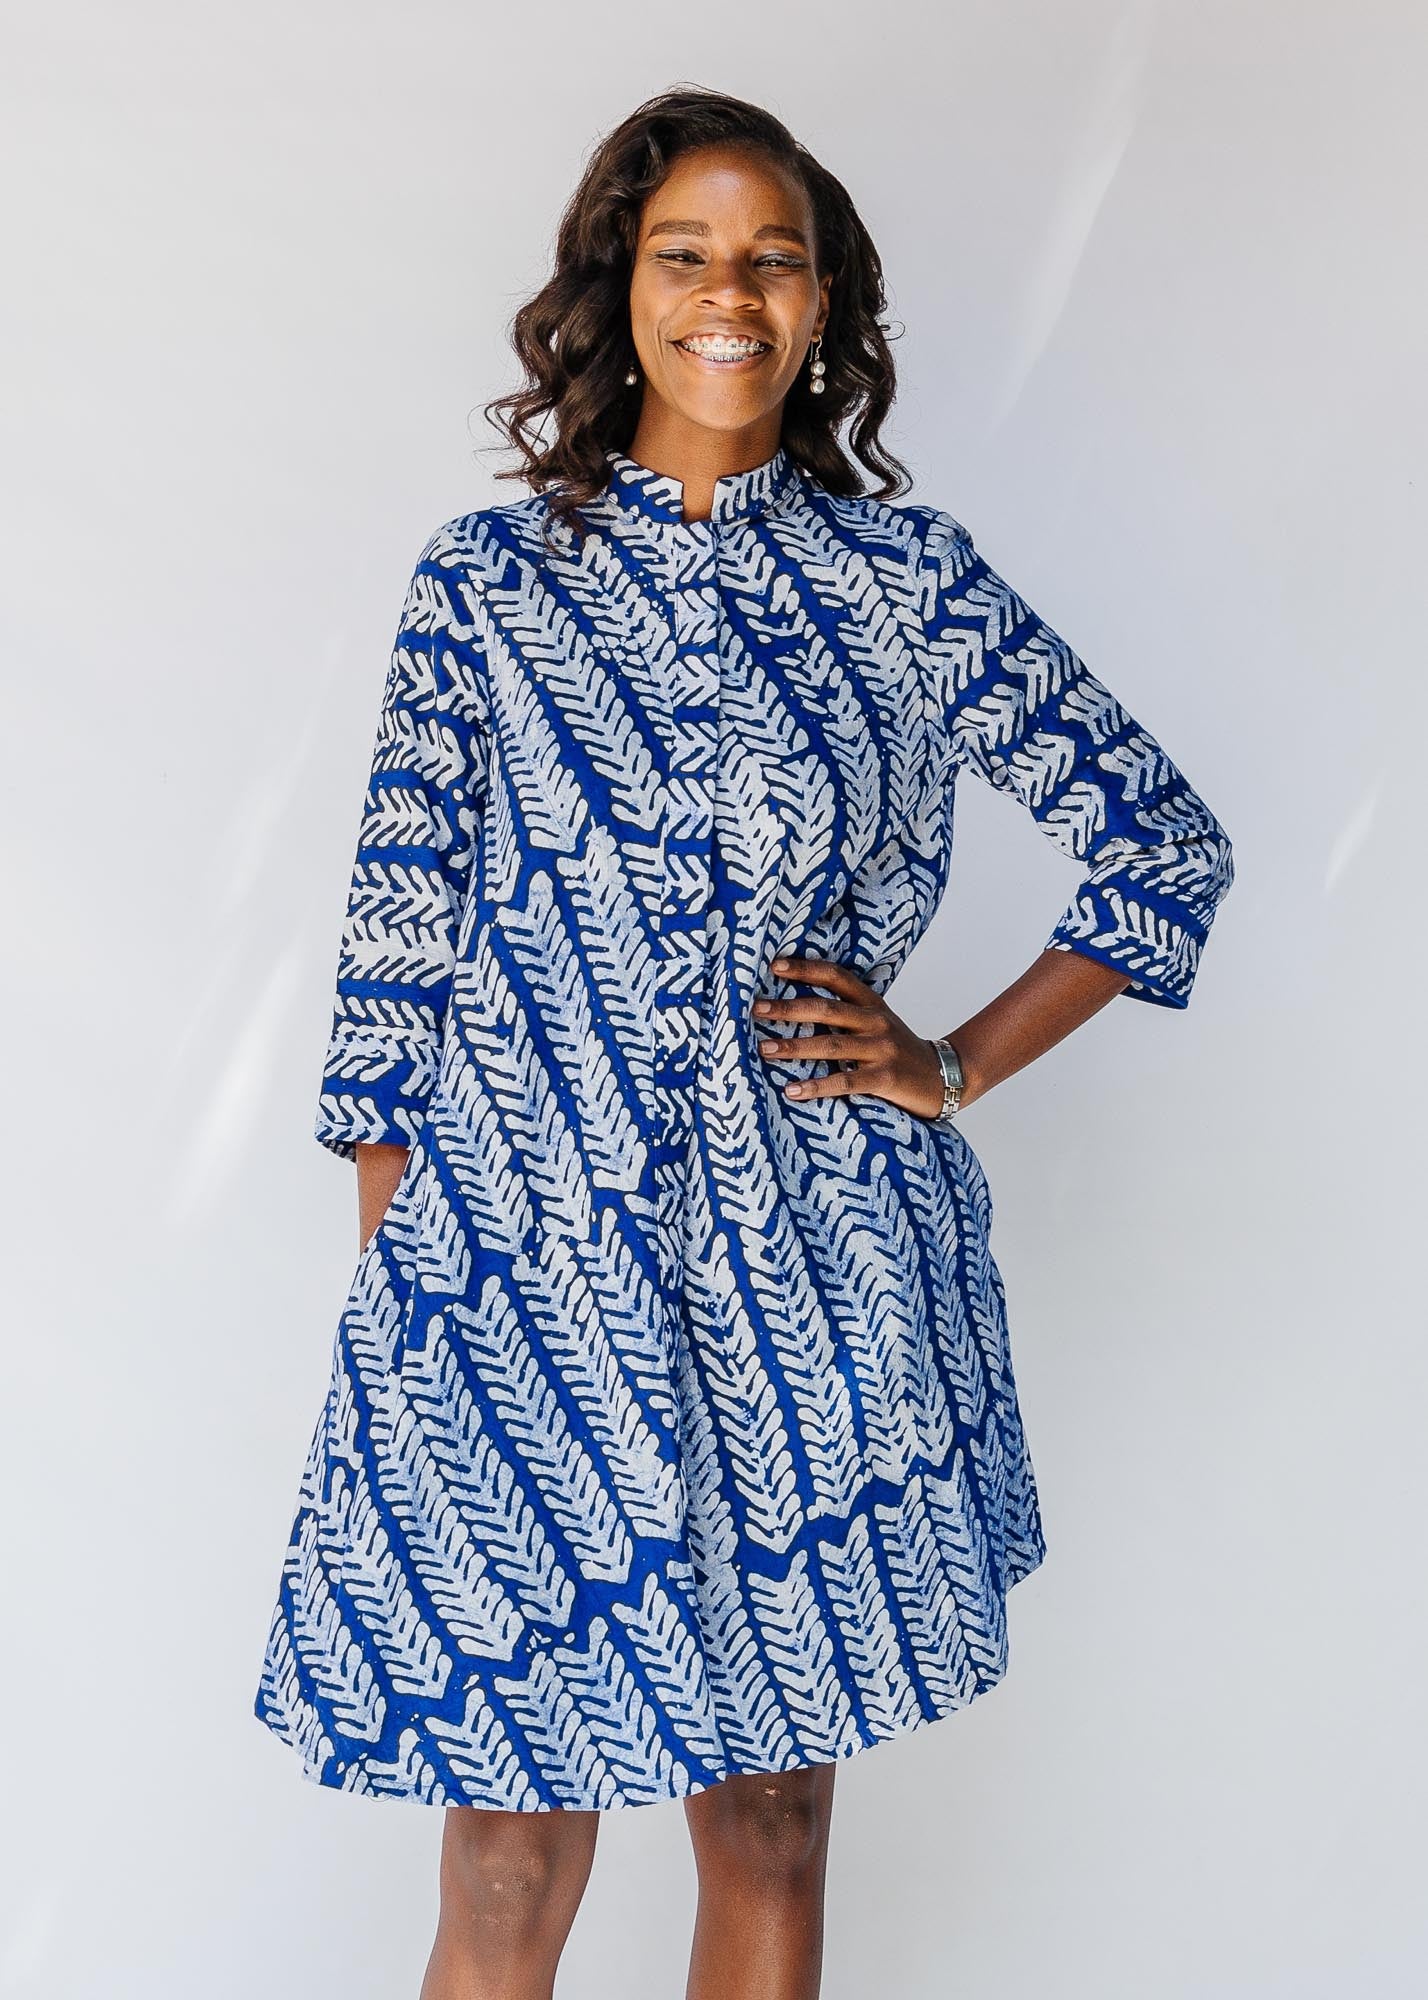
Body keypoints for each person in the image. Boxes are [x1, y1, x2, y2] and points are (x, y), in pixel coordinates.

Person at [252, 83, 1235, 2000]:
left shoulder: (909, 584)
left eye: (773, 261)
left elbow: (1163, 844)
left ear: (825, 305)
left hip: (810, 1272)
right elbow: (396, 957)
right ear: (617, 288)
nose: (729, 295)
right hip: (526, 1273)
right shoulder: (486, 584)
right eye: (685, 254)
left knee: (770, 1823)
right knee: (512, 1846)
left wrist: (943, 1064)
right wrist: (424, 1292)